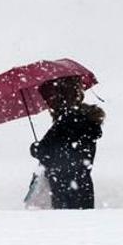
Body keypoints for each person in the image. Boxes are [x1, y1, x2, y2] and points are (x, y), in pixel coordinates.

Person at [30, 76, 105, 209]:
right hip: (83, 185)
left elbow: (48, 155)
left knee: (64, 227)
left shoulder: (64, 122)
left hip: (62, 188)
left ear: (59, 97)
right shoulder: (87, 120)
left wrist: (35, 148)